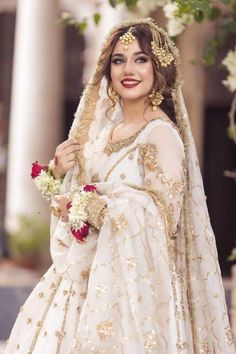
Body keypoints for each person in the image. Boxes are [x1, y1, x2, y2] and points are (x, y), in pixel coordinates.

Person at [4, 18, 235, 354]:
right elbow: (81, 202)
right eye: (119, 60)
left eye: (141, 59)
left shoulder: (161, 135)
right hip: (81, 286)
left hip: (130, 295)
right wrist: (58, 178)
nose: (129, 69)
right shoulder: (102, 135)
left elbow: (162, 220)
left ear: (159, 69)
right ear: (107, 70)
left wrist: (97, 206)